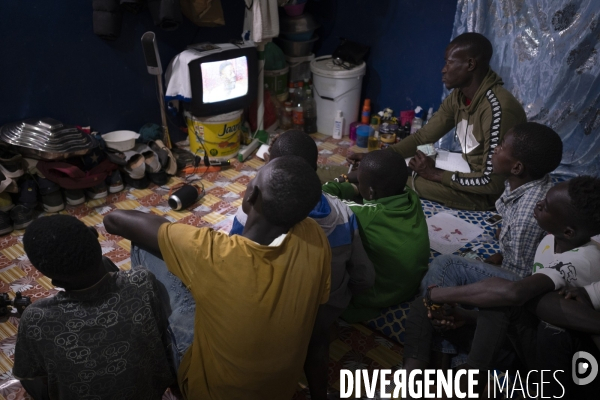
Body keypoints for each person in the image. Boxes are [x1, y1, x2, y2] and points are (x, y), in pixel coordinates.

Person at [103, 155, 331, 400]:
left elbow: (113, 220)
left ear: (251, 195)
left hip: (208, 391)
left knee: (145, 245)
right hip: (280, 391)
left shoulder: (214, 252)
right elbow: (318, 337)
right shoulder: (314, 237)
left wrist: (170, 229)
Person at [403, 176, 600, 397]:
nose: (538, 204)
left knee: (495, 297)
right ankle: (416, 376)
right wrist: (464, 315)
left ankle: (470, 376)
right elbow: (526, 310)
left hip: (549, 359)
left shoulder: (584, 260)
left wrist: (438, 294)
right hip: (526, 336)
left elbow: (516, 296)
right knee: (430, 309)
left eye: (546, 206)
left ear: (569, 231)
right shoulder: (551, 241)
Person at [229, 130, 375, 400]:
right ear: (315, 170)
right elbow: (364, 276)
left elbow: (233, 264)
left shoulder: (248, 213)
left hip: (268, 314)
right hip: (325, 309)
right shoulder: (344, 214)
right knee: (316, 332)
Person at [349, 32, 527, 210]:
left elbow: (492, 183)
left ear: (470, 64)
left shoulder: (497, 109)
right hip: (467, 167)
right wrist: (379, 158)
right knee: (410, 159)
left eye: (449, 62)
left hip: (488, 193)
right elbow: (422, 138)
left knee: (398, 181)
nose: (443, 69)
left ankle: (353, 183)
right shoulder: (459, 96)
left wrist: (435, 174)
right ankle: (358, 177)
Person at [13, 215, 175, 400]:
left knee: (28, 378)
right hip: (149, 393)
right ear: (95, 236)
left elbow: (33, 375)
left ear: (55, 281)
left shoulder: (36, 319)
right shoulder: (141, 282)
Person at [423, 122, 563, 290]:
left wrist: (501, 266)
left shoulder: (527, 217)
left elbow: (518, 279)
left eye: (502, 146)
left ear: (517, 167)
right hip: (514, 259)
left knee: (443, 266)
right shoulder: (524, 181)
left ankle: (433, 308)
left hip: (517, 283)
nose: (495, 149)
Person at [322, 150, 430, 322]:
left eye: (362, 181)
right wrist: (361, 183)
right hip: (408, 287)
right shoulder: (412, 196)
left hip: (379, 296)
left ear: (371, 192)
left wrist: (346, 180)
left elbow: (324, 196)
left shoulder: (363, 215)